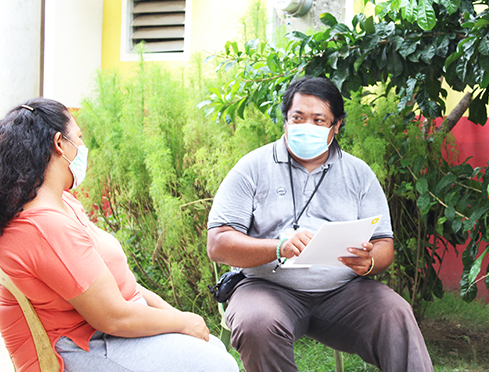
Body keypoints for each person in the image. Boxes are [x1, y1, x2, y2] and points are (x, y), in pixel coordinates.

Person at [206, 76, 433, 372]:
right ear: (285, 119)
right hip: (266, 287)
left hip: (343, 292)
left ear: (336, 126)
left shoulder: (359, 174)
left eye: (318, 120)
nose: (306, 127)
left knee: (395, 312)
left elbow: (384, 245)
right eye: (298, 118)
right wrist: (279, 247)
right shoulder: (252, 167)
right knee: (256, 323)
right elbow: (218, 244)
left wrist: (368, 262)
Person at [0, 98, 239, 372]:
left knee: (213, 349)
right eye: (78, 137)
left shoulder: (63, 203)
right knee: (217, 365)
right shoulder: (45, 227)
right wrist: (183, 322)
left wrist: (179, 317)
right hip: (89, 344)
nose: (82, 147)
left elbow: (125, 287)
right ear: (58, 143)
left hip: (111, 332)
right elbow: (112, 317)